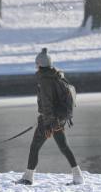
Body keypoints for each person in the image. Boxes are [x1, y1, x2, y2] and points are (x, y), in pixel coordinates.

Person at [16, 48, 83, 185]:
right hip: (58, 118)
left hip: (50, 120)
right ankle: (78, 176)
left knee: (35, 146)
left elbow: (47, 104)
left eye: (36, 63)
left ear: (39, 64)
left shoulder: (45, 80)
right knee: (63, 146)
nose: (35, 66)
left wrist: (48, 124)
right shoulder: (56, 75)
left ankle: (28, 178)